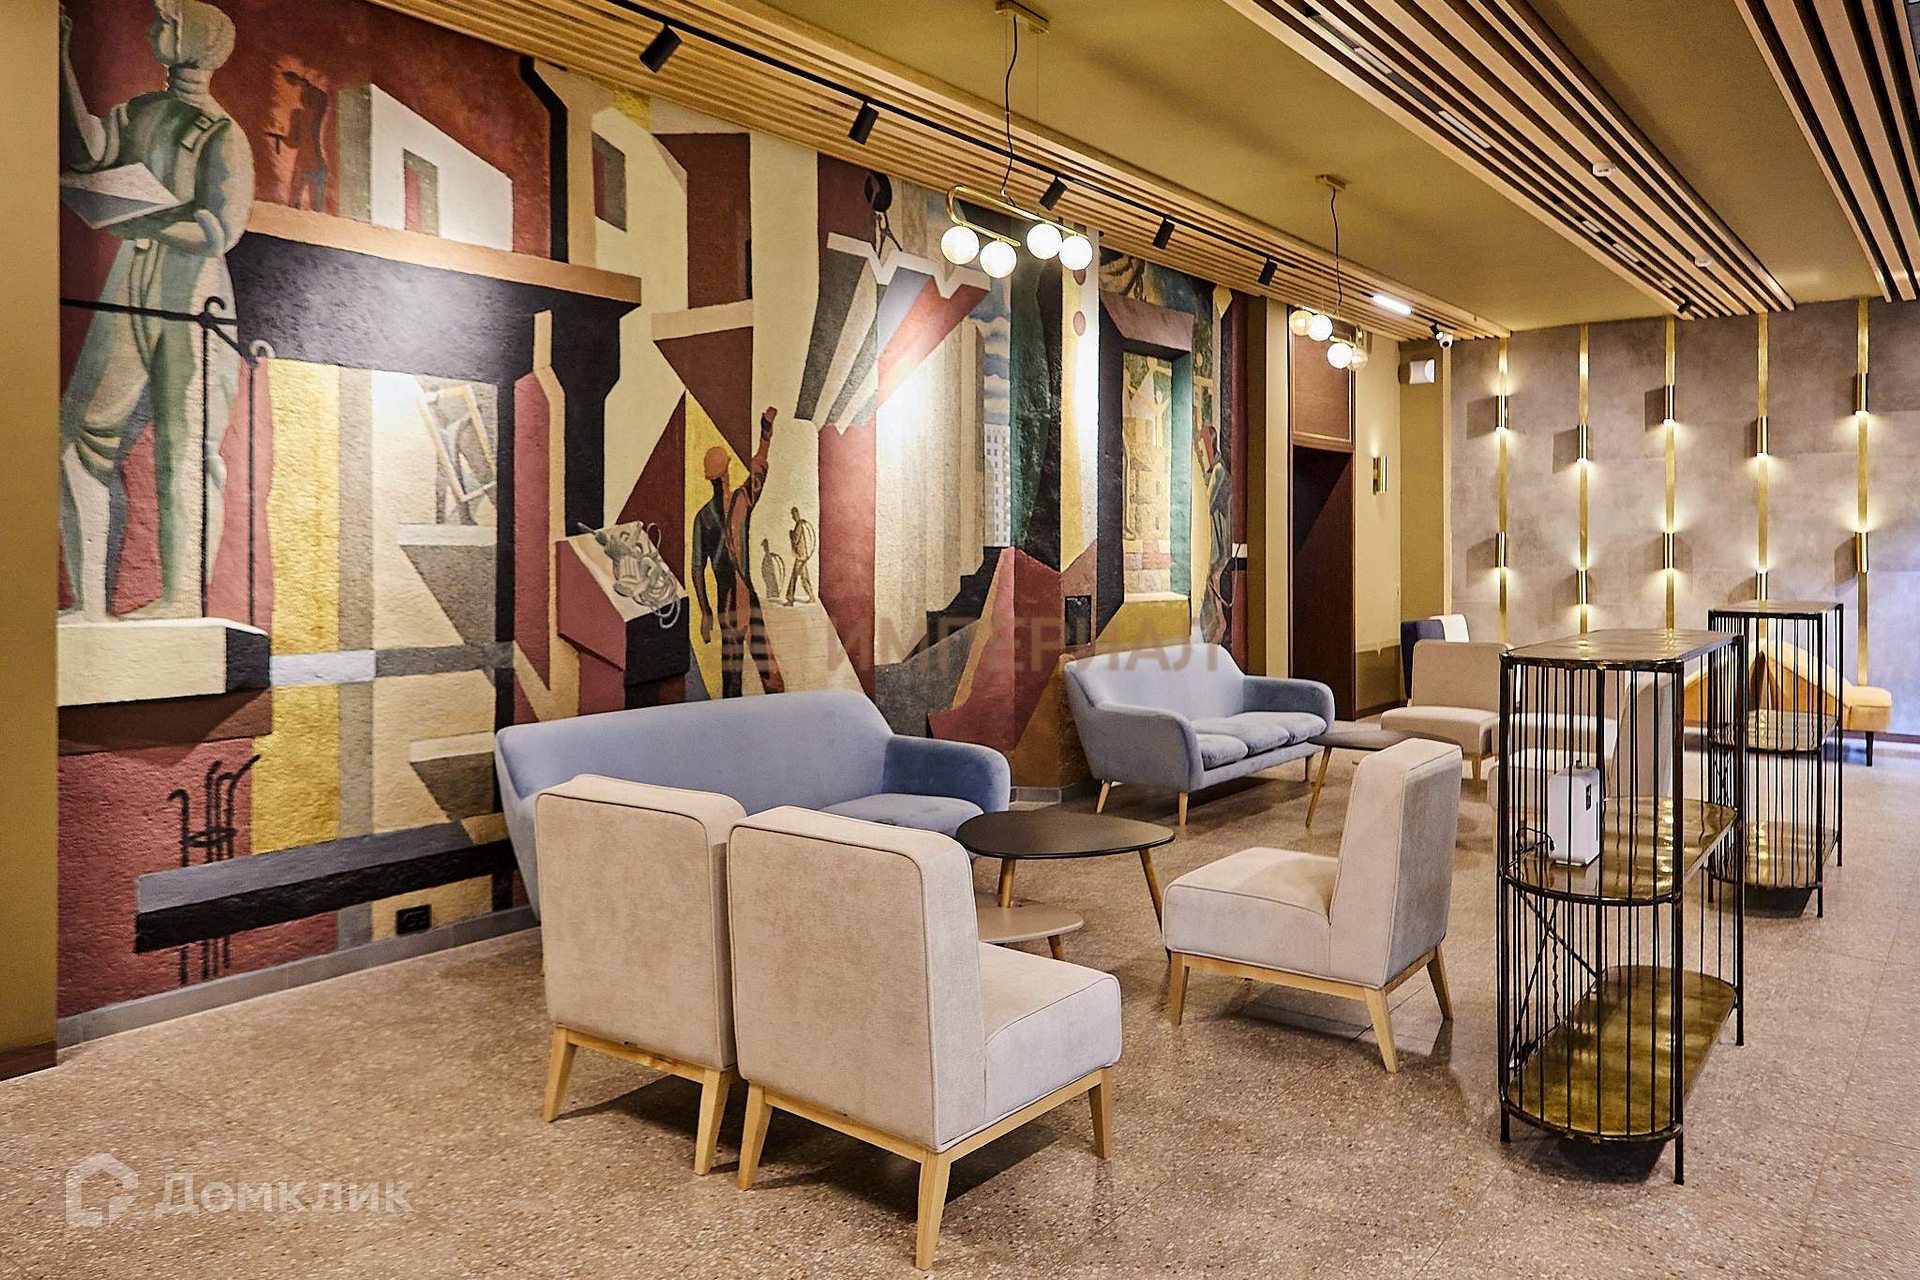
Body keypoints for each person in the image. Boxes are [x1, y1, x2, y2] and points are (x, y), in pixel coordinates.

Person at [58, 0, 253, 621]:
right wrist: (60, 56)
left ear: (195, 39)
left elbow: (219, 229)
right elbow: (87, 151)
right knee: (78, 438)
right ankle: (91, 606)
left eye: (167, 23)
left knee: (186, 447)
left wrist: (143, 217)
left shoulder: (221, 132)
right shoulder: (142, 111)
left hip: (194, 296)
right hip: (131, 281)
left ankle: (181, 598)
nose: (154, 30)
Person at [691, 408, 785, 697]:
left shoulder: (705, 516)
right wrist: (765, 431)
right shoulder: (739, 503)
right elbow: (759, 466)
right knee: (763, 678)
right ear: (726, 472)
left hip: (732, 606)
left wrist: (706, 612)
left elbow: (697, 569)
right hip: (740, 604)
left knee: (736, 684)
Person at [785, 506, 816, 605]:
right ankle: (811, 596)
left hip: (800, 556)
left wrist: (791, 534)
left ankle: (790, 599)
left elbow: (795, 539)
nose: (792, 517)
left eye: (793, 515)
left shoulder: (799, 525)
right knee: (804, 576)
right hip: (804, 556)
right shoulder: (803, 523)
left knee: (794, 577)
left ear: (796, 514)